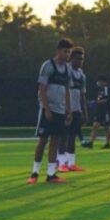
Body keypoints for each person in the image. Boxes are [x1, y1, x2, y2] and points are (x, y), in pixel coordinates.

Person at [28, 38, 73, 184]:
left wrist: (68, 109)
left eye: (69, 52)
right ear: (58, 51)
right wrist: (46, 109)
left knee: (55, 141)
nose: (67, 55)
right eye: (65, 51)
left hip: (60, 110)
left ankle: (51, 174)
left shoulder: (67, 69)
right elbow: (41, 89)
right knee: (42, 141)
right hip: (48, 109)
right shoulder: (48, 66)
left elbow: (66, 90)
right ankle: (34, 173)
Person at [57, 46, 87, 173]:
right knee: (63, 136)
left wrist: (85, 111)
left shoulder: (81, 74)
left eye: (82, 59)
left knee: (73, 136)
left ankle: (71, 163)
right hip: (65, 108)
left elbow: (82, 94)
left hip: (77, 109)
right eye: (78, 58)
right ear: (72, 58)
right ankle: (61, 163)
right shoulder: (66, 70)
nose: (80, 61)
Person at [88, 75, 110, 149]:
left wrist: (96, 102)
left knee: (106, 127)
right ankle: (91, 142)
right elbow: (100, 98)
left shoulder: (106, 89)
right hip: (100, 111)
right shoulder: (100, 90)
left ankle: (108, 143)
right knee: (95, 126)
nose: (98, 83)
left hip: (105, 111)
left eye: (100, 81)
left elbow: (106, 100)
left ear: (104, 82)